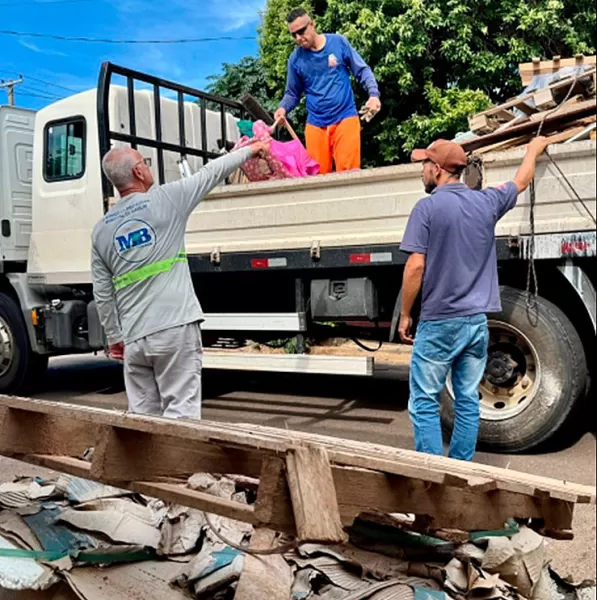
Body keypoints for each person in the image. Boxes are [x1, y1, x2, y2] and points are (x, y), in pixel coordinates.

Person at [399, 136, 552, 461]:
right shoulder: (486, 202)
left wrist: (405, 314)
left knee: (424, 400)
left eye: (424, 165)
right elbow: (521, 181)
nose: (421, 171)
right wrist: (533, 149)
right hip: (476, 324)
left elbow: (415, 267)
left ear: (437, 169)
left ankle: (431, 476)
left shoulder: (426, 208)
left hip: (440, 321)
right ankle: (461, 472)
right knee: (467, 399)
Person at [91, 142, 268, 420]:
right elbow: (210, 173)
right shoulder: (167, 199)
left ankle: (145, 464)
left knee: (143, 421)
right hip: (174, 329)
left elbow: (102, 292)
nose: (147, 166)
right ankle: (179, 465)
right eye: (145, 162)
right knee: (181, 416)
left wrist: (115, 336)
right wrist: (250, 149)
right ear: (138, 171)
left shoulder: (101, 230)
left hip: (135, 338)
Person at [274, 7, 381, 175]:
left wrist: (373, 95)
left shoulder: (338, 43)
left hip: (345, 117)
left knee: (349, 176)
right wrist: (282, 108)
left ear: (312, 24)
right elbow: (292, 93)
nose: (298, 38)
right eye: (293, 34)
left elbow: (362, 70)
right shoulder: (295, 60)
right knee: (317, 181)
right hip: (316, 124)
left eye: (301, 31)